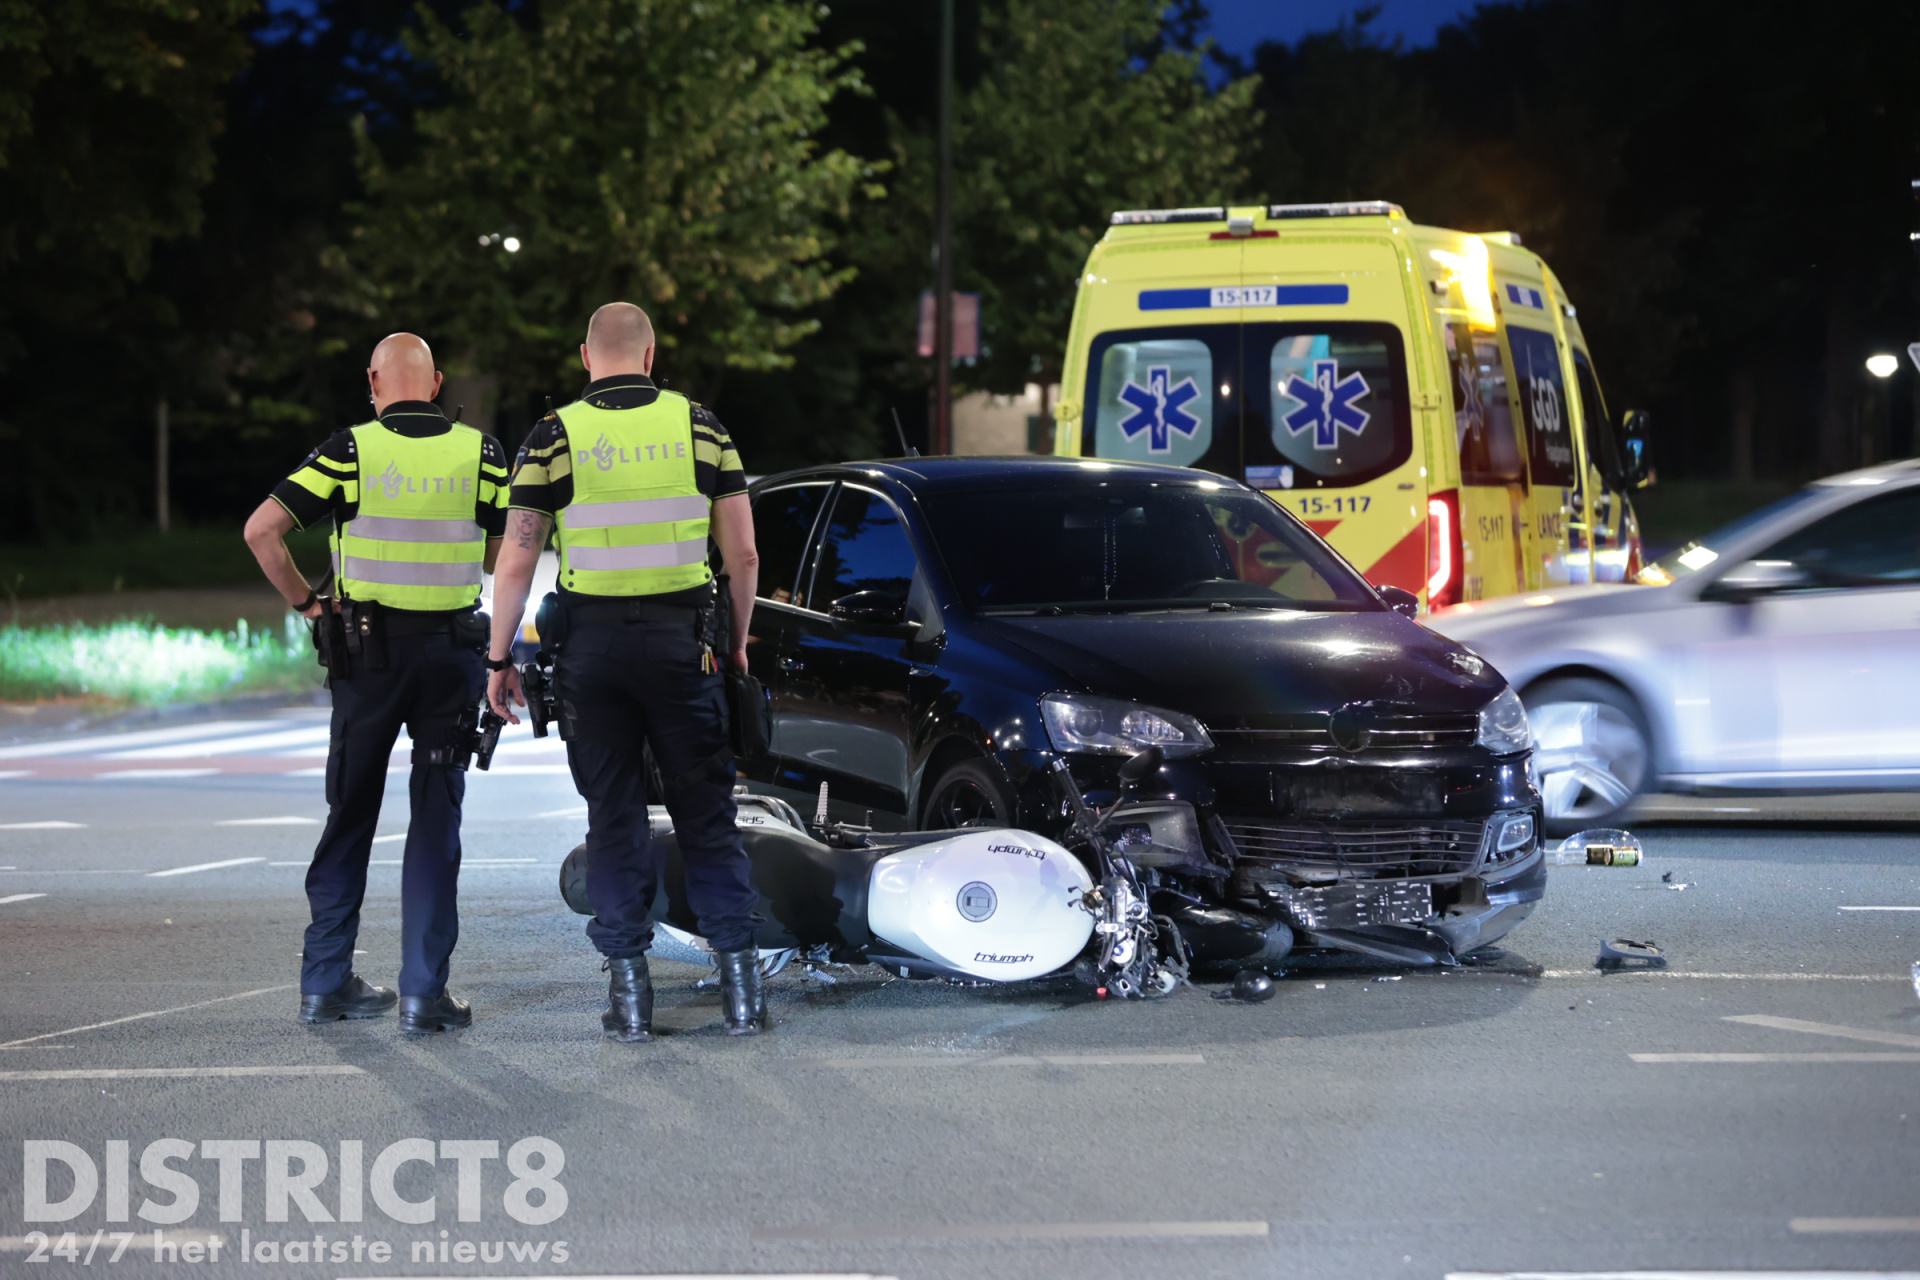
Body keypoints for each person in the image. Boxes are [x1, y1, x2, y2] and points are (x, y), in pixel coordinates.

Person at [486, 301, 762, 1041]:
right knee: (708, 816)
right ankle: (742, 992)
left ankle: (632, 999)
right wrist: (734, 644)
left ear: (585, 357)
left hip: (593, 655)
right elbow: (741, 556)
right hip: (684, 646)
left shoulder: (553, 437)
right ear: (649, 355)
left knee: (613, 820)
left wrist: (498, 655)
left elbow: (516, 557)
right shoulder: (702, 427)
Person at [243, 333, 508, 1032]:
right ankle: (424, 993)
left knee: (351, 813)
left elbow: (261, 531)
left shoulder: (348, 450)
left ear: (373, 381)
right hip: (450, 657)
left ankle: (325, 983)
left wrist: (309, 604)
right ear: (438, 381)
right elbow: (497, 552)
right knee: (435, 818)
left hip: (366, 659)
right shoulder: (480, 453)